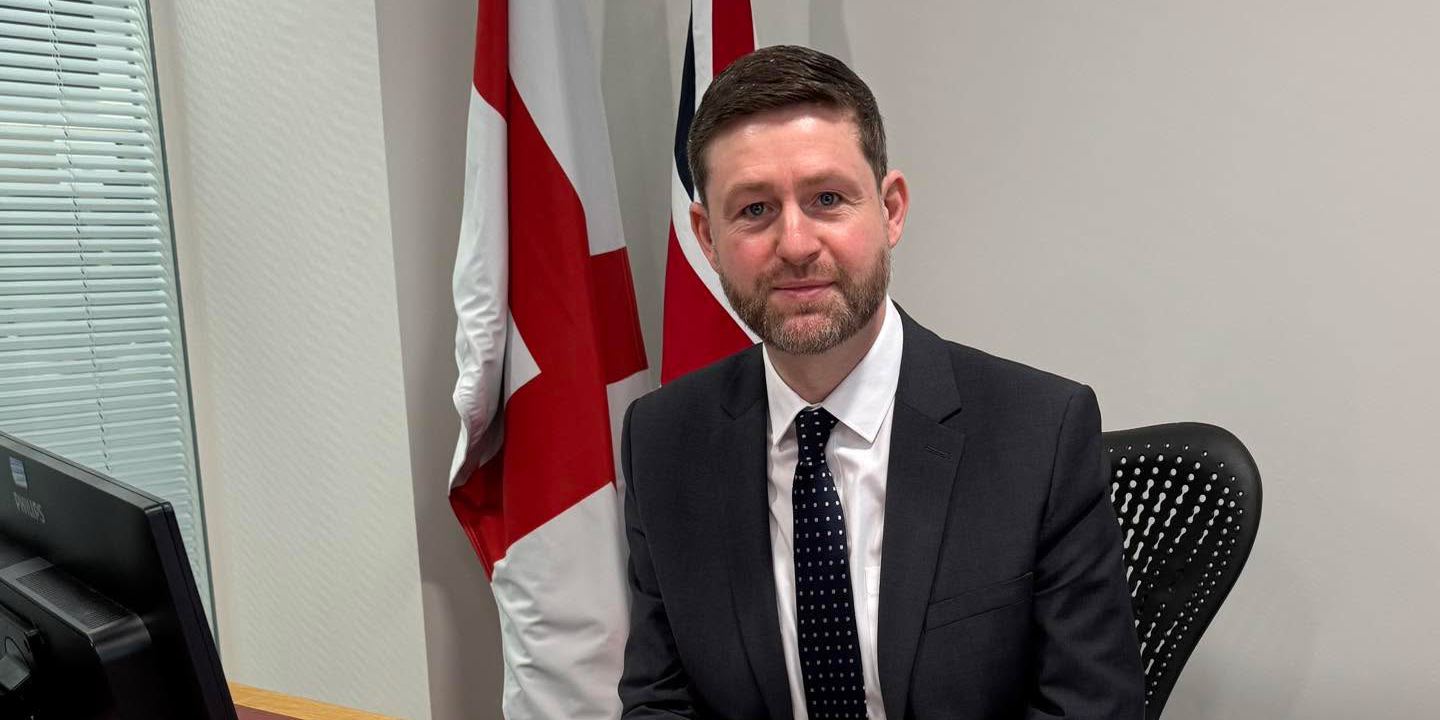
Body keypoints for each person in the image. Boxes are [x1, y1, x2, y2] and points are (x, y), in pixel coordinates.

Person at [619, 45, 1143, 720]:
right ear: (708, 238)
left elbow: (1092, 708)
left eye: (828, 199)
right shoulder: (663, 440)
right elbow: (661, 701)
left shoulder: (1040, 433)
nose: (797, 244)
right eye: (753, 210)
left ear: (891, 210)